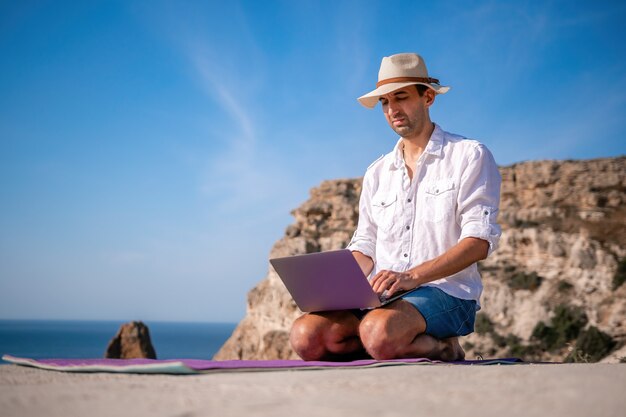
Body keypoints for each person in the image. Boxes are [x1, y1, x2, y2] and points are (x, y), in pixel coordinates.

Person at [289, 53, 502, 362]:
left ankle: (442, 347)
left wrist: (413, 276)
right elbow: (365, 243)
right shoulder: (377, 171)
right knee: (305, 336)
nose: (392, 110)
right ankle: (384, 345)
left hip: (448, 293)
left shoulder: (469, 155)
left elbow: (479, 243)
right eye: (385, 103)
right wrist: (331, 287)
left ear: (427, 97)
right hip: (381, 299)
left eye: (400, 97)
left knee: (379, 331)